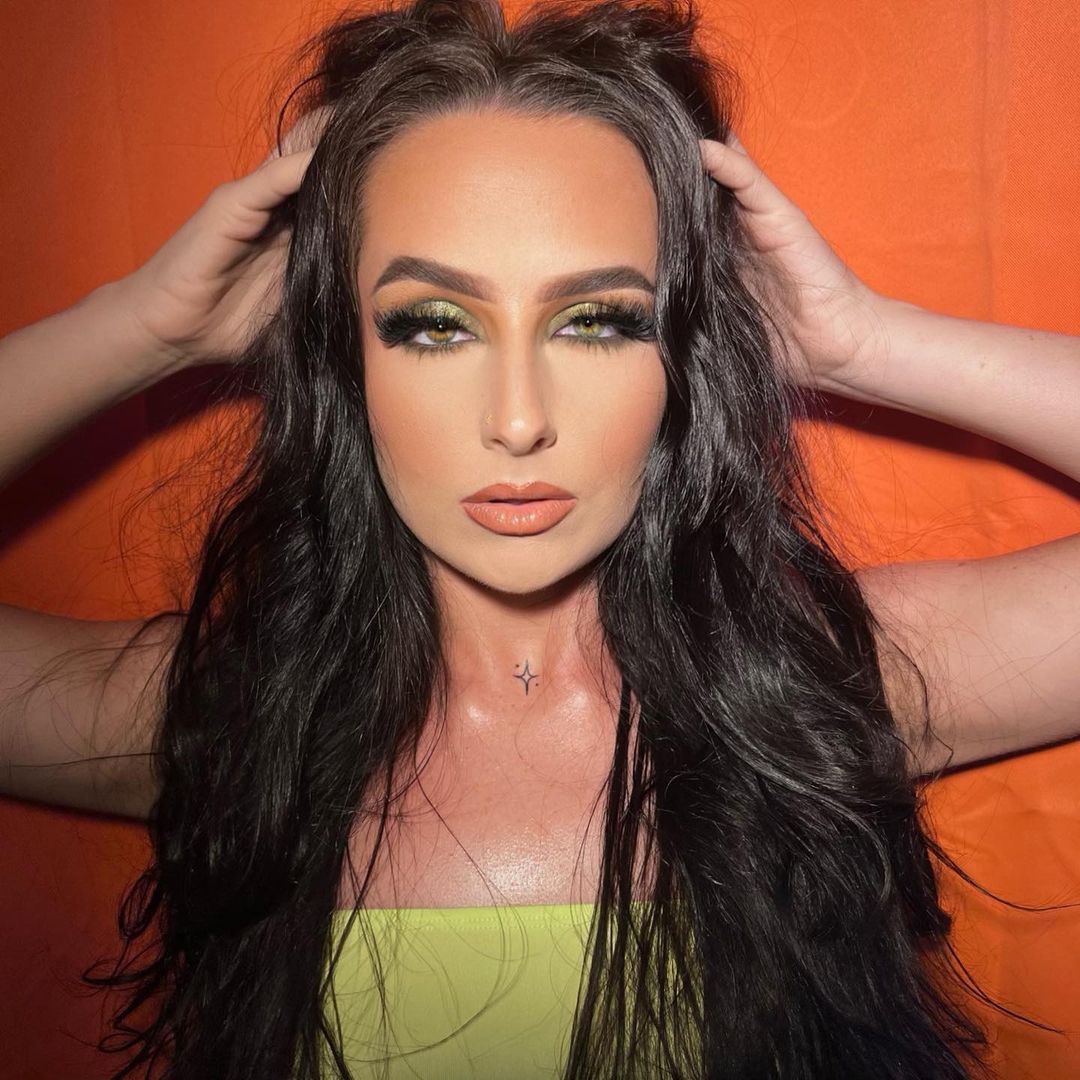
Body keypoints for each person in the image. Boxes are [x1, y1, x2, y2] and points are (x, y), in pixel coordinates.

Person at [1, 0, 1077, 1076]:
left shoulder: (819, 690)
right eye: (434, 324)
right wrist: (148, 324)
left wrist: (858, 340)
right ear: (344, 354)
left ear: (683, 348)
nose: (518, 420)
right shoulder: (239, 718)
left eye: (597, 320)